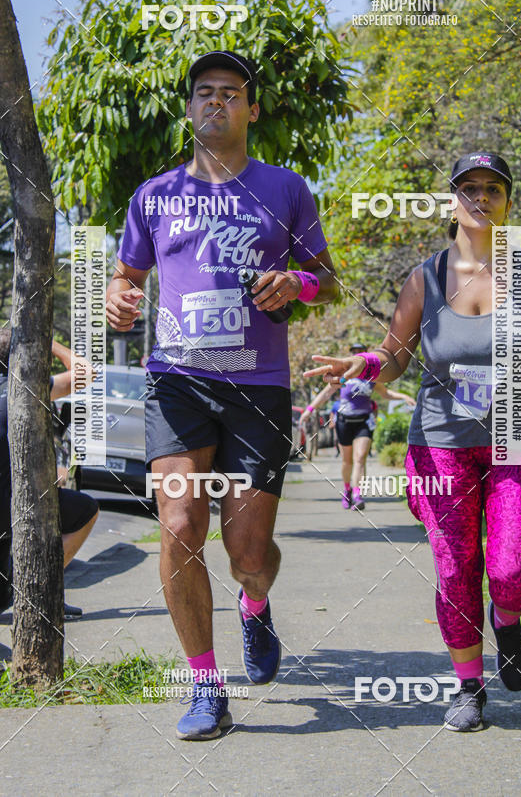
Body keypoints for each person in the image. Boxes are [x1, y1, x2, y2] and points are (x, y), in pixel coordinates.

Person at [304, 152, 521, 732]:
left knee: (514, 569)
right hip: (440, 441)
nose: (481, 197)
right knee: (455, 566)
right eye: (469, 188)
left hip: (520, 438)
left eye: (493, 188)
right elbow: (395, 355)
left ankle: (508, 622)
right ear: (452, 201)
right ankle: (468, 687)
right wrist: (364, 362)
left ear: (508, 202)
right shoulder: (426, 278)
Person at [106, 50, 338, 740]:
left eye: (230, 93)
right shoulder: (154, 196)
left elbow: (329, 277)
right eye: (203, 93)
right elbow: (126, 278)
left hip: (259, 387)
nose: (216, 102)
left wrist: (297, 284)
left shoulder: (287, 189)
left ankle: (256, 606)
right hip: (177, 380)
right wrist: (118, 299)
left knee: (248, 555)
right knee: (178, 526)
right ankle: (207, 687)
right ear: (188, 109)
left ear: (251, 109)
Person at [0, 330, 99, 618]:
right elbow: (86, 372)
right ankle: (43, 586)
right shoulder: (28, 387)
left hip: (6, 511)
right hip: (15, 508)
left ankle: (23, 588)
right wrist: (47, 342)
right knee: (86, 509)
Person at [301, 342, 415, 510]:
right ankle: (347, 490)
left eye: (360, 351)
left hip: (363, 421)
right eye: (353, 351)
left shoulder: (372, 377)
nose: (357, 354)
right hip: (344, 421)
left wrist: (403, 397)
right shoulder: (344, 375)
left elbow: (386, 393)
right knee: (347, 461)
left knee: (360, 458)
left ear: (365, 354)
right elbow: (326, 393)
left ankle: (357, 494)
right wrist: (308, 410)